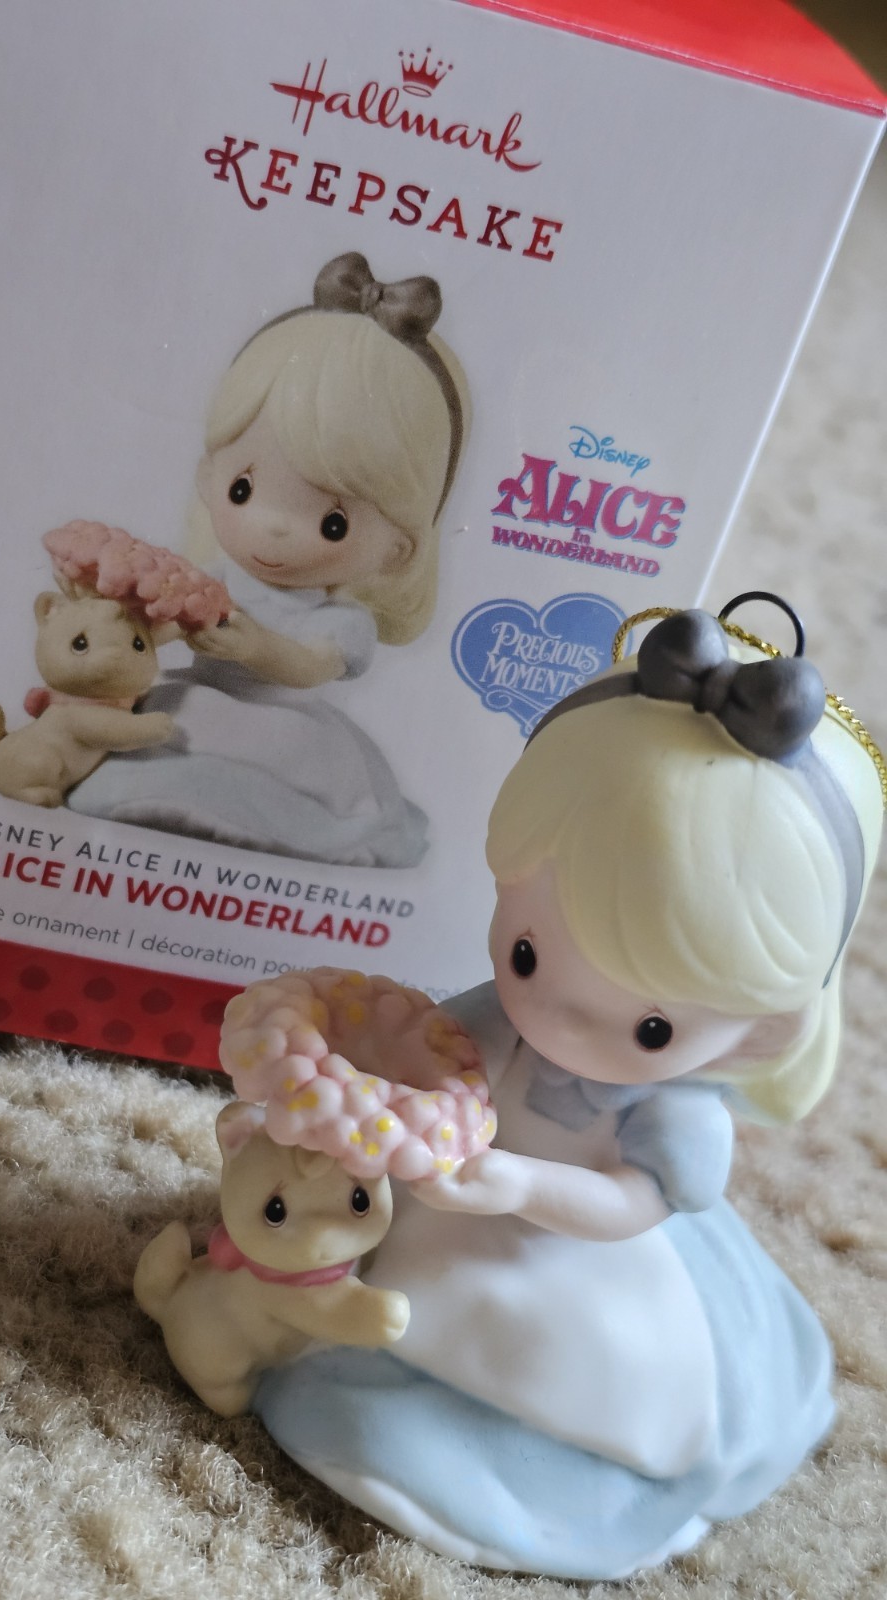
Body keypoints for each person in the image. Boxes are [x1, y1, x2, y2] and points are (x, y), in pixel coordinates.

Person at [252, 603, 885, 1579]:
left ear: (764, 1029)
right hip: (442, 1201)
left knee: (497, 1355)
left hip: (570, 1262)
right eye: (527, 954)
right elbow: (435, 1048)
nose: (556, 1021)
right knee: (305, 1261)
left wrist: (519, 1185)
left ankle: (513, 1452)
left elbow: (634, 1204)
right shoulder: (500, 1021)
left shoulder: (675, 1113)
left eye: (652, 1027)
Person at [65, 252, 468, 867]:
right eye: (243, 490)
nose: (275, 528)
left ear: (397, 549)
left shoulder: (341, 622)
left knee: (275, 761)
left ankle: (239, 813)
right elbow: (159, 633)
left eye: (332, 523)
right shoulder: (215, 579)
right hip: (194, 703)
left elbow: (310, 668)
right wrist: (110, 614)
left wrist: (257, 648)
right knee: (154, 727)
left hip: (286, 727)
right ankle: (161, 796)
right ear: (210, 478)